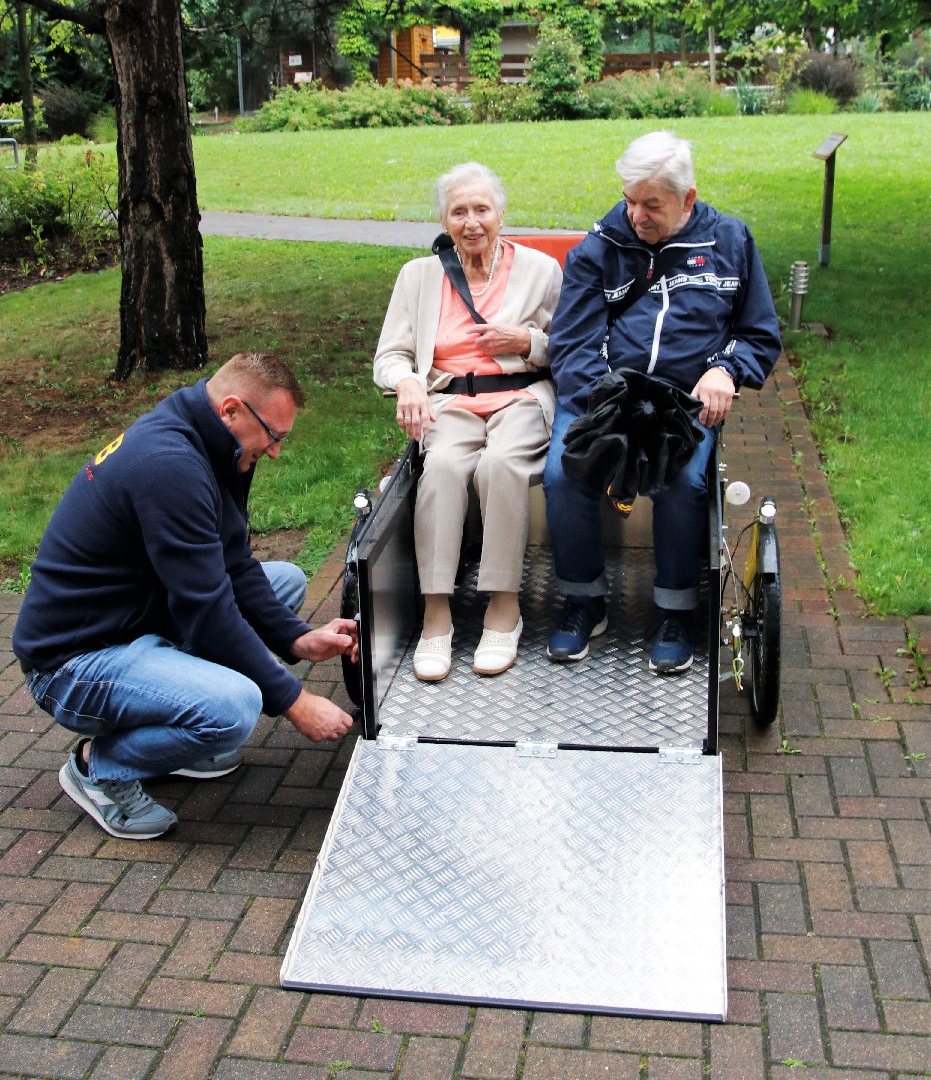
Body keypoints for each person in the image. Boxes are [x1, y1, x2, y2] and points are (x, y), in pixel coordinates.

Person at [12, 353, 356, 840]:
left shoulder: (216, 442)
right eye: (273, 436)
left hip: (137, 618)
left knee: (285, 584)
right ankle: (99, 768)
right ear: (231, 409)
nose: (276, 452)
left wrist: (297, 639)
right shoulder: (168, 464)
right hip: (73, 660)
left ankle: (181, 726)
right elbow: (206, 611)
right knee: (234, 709)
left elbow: (233, 562)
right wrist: (295, 702)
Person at [544, 130, 781, 671]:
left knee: (684, 482)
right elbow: (572, 341)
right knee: (564, 474)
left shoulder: (731, 242)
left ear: (688, 199)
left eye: (652, 204)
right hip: (604, 393)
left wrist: (726, 368)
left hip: (684, 399)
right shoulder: (601, 246)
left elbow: (760, 333)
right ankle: (583, 601)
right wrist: (613, 408)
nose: (637, 215)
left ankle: (675, 609)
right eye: (630, 199)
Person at [374, 161, 562, 680]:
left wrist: (525, 342)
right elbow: (389, 356)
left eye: (482, 208)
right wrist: (408, 381)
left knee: (500, 466)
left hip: (520, 396)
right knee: (442, 471)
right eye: (460, 211)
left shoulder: (542, 271)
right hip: (450, 402)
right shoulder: (418, 276)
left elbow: (570, 350)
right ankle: (437, 614)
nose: (472, 220)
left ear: (501, 213)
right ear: (444, 218)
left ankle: (504, 607)